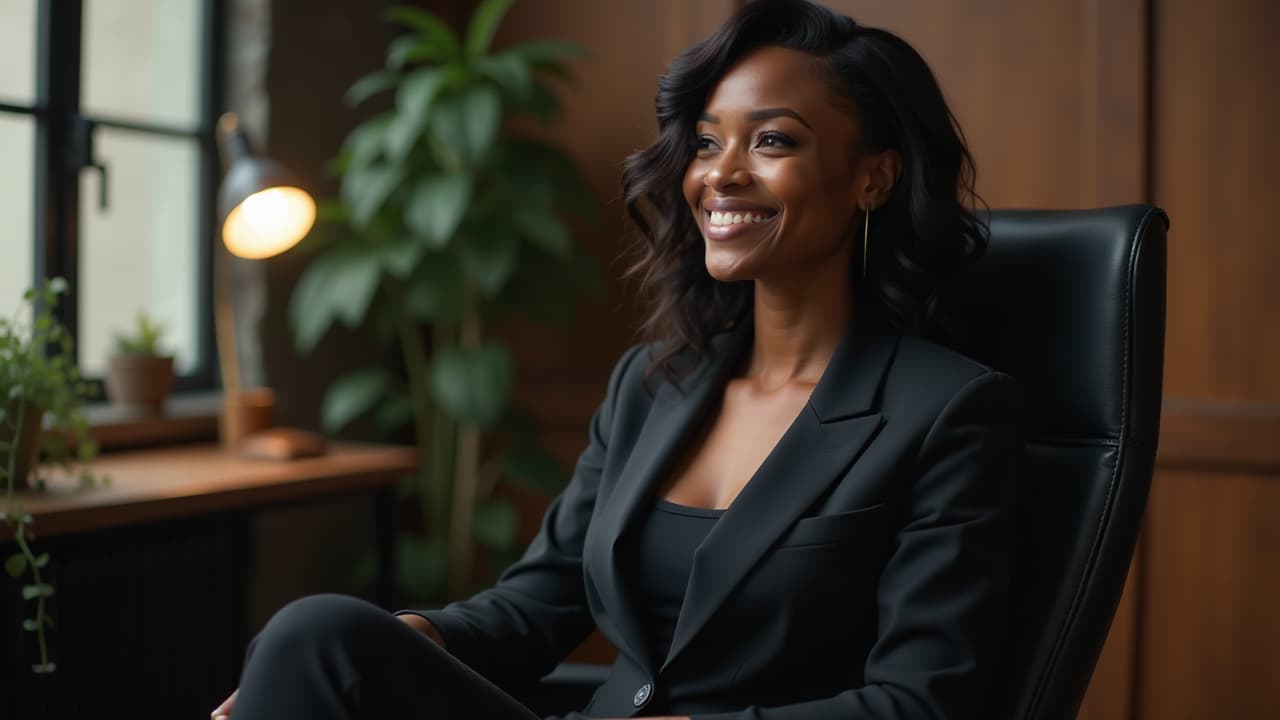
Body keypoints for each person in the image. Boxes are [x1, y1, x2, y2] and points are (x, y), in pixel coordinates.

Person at [213, 0, 1023, 718]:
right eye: (707, 143)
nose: (720, 175)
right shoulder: (652, 384)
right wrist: (398, 640)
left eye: (772, 140)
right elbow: (541, 603)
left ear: (874, 179)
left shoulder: (946, 412)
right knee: (317, 636)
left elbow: (918, 702)